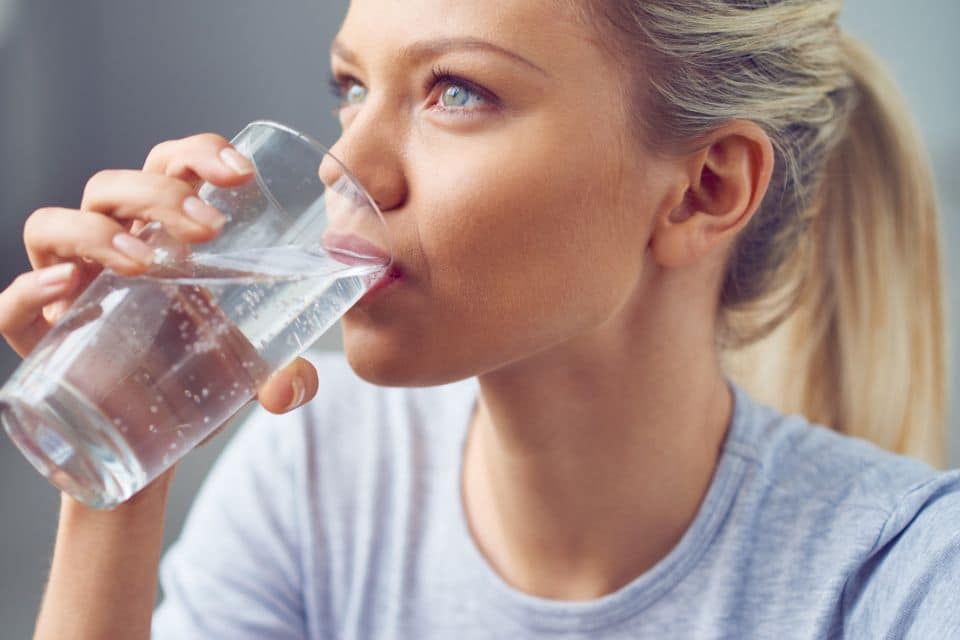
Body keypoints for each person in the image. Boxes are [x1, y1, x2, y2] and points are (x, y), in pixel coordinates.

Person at [2, 0, 956, 637]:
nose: (345, 169)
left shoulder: (902, 579)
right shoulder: (319, 474)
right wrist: (118, 466)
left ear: (703, 191)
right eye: (351, 89)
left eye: (457, 92)